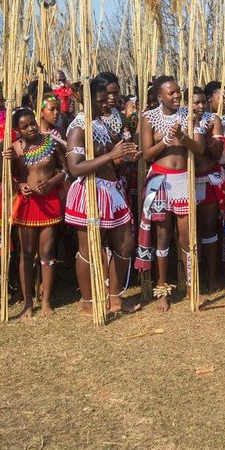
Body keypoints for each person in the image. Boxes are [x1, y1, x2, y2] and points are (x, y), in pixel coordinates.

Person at [66, 76, 139, 316]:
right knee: (89, 249)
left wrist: (126, 152)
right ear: (85, 101)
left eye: (105, 99)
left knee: (125, 243)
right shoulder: (78, 128)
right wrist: (111, 156)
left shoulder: (99, 122)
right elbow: (75, 168)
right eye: (98, 101)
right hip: (89, 190)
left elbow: (113, 148)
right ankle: (89, 302)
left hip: (111, 189)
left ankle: (115, 299)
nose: (104, 104)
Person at [137, 76, 204, 311]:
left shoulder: (188, 115)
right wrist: (167, 140)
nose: (176, 96)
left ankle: (190, 286)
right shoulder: (149, 118)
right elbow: (146, 154)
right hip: (160, 180)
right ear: (159, 96)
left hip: (183, 179)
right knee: (162, 236)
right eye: (171, 93)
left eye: (178, 92)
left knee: (186, 237)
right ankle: (162, 288)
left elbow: (200, 148)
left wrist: (183, 138)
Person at [0, 108, 66, 319]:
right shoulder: (14, 149)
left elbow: (65, 169)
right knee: (26, 254)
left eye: (32, 123)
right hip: (27, 204)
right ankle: (28, 302)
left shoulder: (52, 142)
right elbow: (6, 177)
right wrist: (19, 186)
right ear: (17, 130)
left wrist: (51, 183)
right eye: (24, 126)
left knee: (46, 252)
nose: (31, 128)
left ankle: (45, 300)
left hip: (49, 202)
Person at [190, 87, 225, 291]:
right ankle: (189, 279)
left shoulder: (213, 120)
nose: (200, 106)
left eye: (203, 102)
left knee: (209, 229)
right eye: (195, 102)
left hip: (208, 181)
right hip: (183, 181)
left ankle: (212, 277)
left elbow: (217, 152)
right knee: (187, 233)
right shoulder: (178, 119)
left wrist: (206, 135)